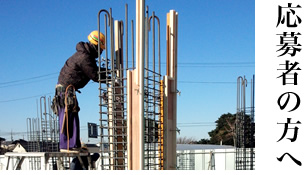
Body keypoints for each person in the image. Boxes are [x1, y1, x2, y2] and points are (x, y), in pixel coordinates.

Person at [52, 31, 107, 152]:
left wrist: (108, 71)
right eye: (101, 49)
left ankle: (73, 145)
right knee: (68, 117)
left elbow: (95, 70)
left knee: (73, 117)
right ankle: (67, 146)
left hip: (67, 90)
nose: (101, 52)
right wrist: (110, 77)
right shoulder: (84, 57)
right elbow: (95, 75)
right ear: (95, 46)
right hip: (65, 91)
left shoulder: (85, 55)